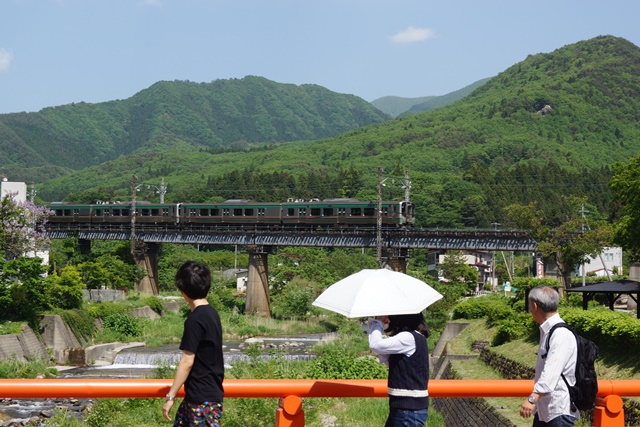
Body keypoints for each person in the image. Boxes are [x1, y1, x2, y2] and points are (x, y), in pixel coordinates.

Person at [162, 260, 224, 426]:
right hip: (205, 396)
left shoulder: (194, 320)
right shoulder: (212, 314)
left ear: (183, 291)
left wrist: (170, 396)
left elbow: (187, 362)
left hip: (201, 401)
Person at [520, 286, 579, 427]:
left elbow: (551, 371)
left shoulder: (560, 334)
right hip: (545, 409)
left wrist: (532, 398)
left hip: (558, 410)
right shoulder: (549, 330)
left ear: (535, 306)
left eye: (529, 305)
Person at [368, 312, 430, 427]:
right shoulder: (415, 336)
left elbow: (375, 344)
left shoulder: (408, 337)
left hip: (408, 409)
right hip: (406, 407)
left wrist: (378, 323)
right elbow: (392, 362)